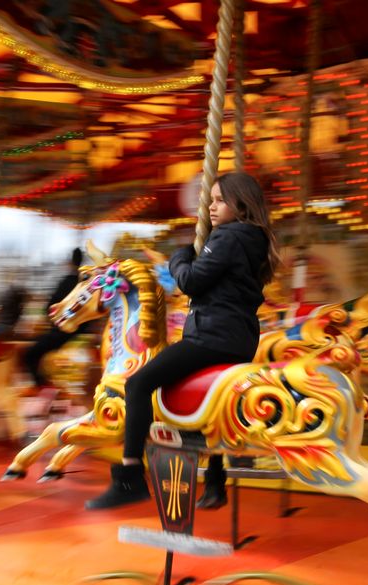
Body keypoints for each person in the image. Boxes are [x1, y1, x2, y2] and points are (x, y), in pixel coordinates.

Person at [86, 172, 280, 510]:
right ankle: (216, 482)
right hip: (240, 338)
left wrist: (179, 257)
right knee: (213, 404)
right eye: (212, 199)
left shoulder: (227, 237)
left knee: (138, 384)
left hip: (212, 335)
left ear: (240, 203)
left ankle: (130, 474)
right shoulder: (256, 239)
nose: (212, 207)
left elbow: (190, 282)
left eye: (219, 200)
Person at [22, 247, 87, 400]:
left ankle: (41, 385)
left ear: (70, 262)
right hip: (80, 330)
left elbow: (51, 307)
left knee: (30, 353)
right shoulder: (84, 283)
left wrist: (49, 318)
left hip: (63, 332)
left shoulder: (67, 281)